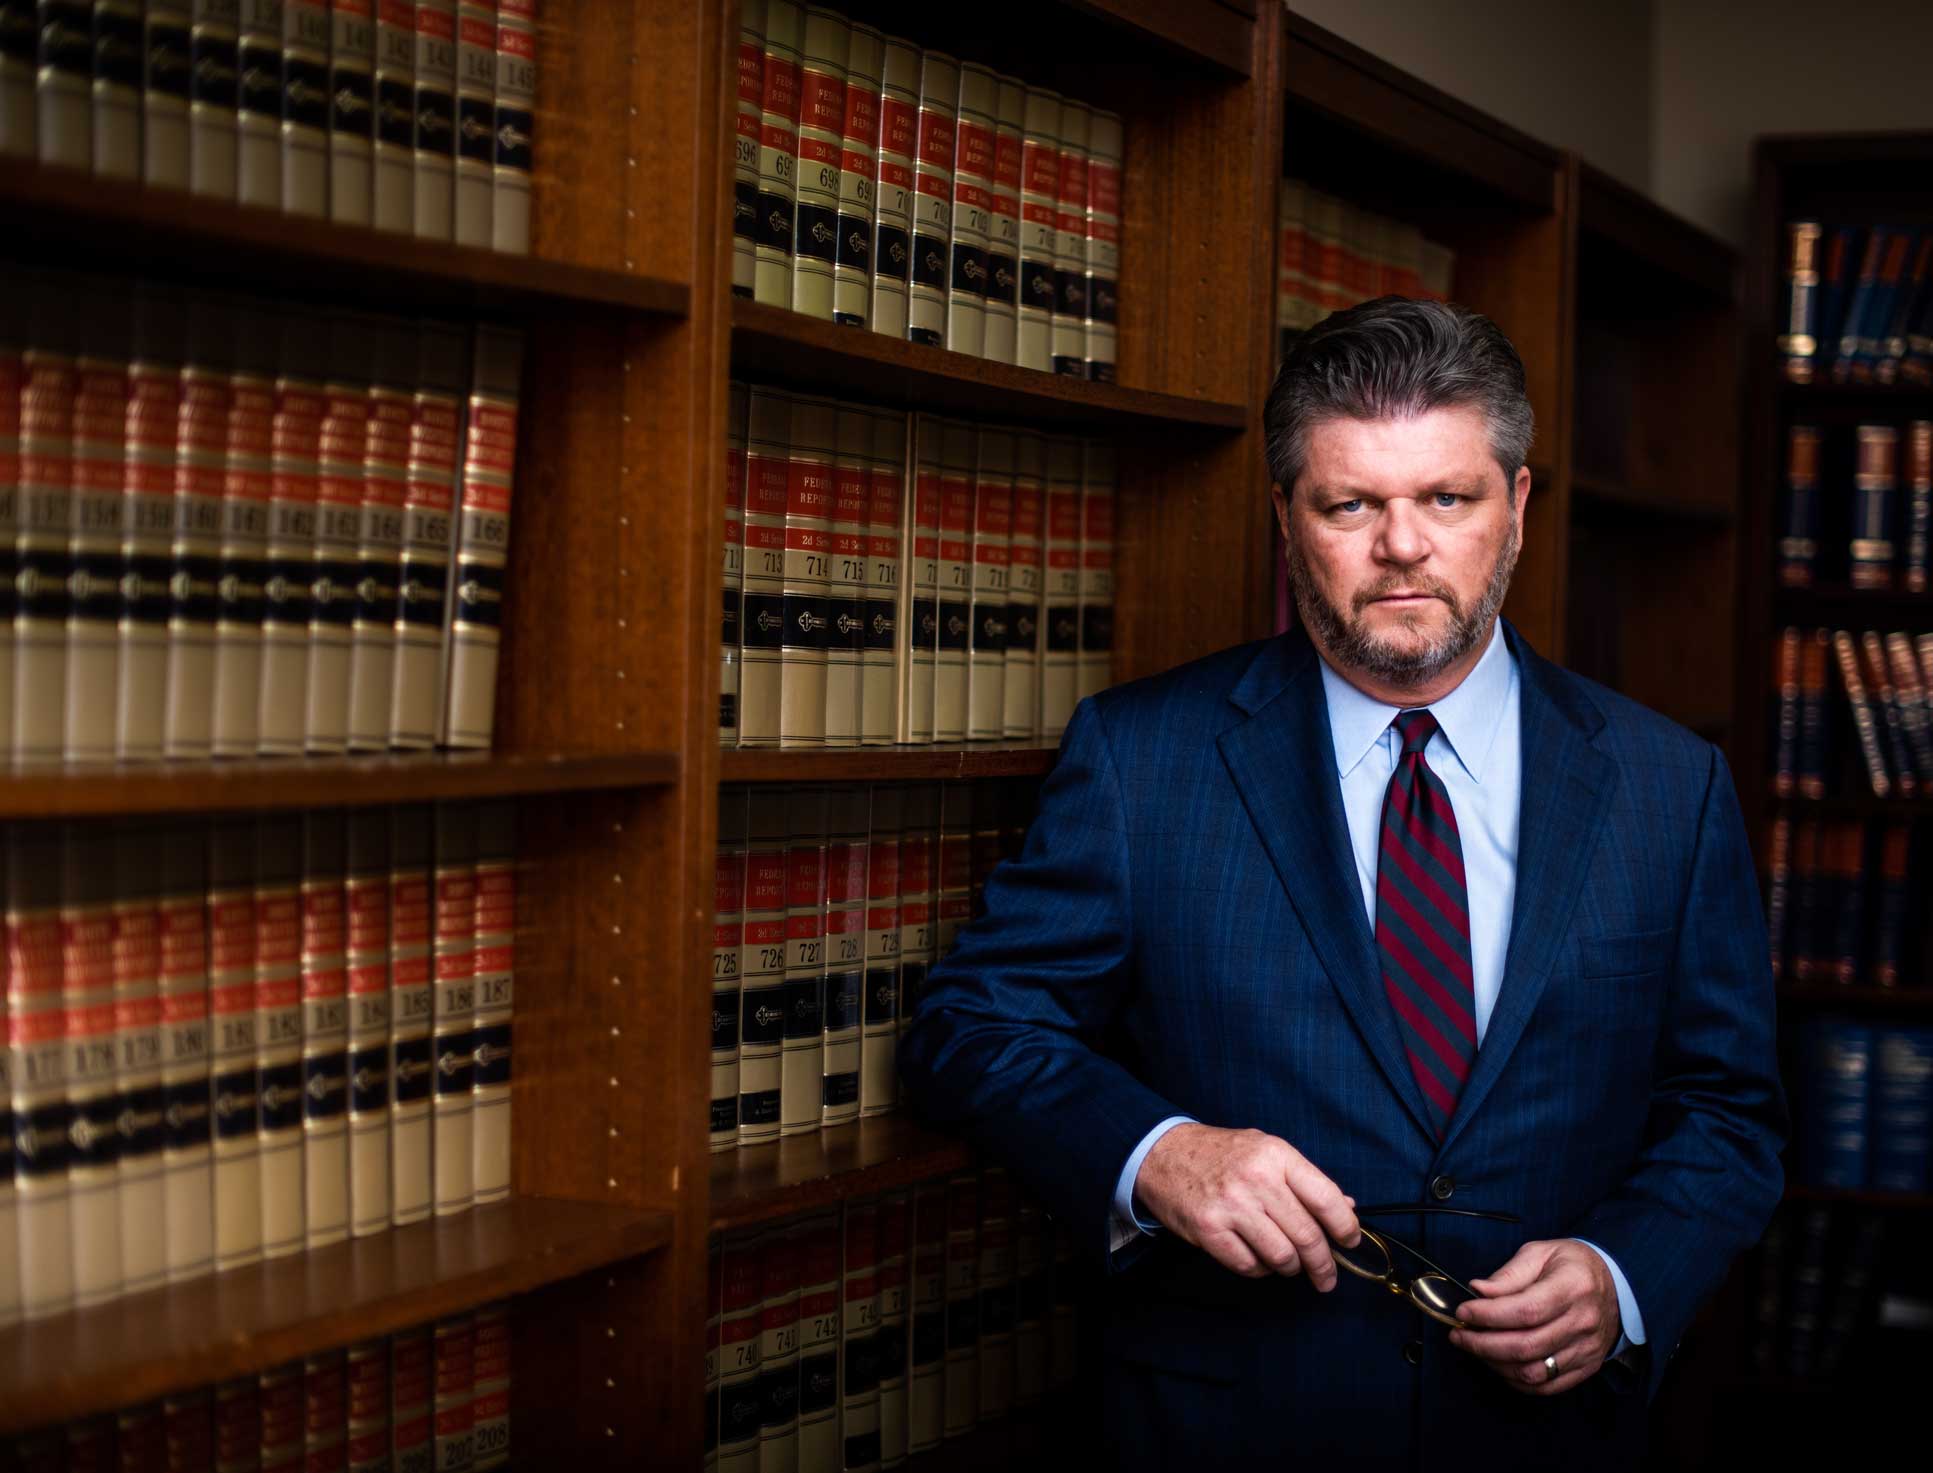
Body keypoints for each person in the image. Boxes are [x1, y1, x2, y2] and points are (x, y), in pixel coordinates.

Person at [896, 296, 1786, 1471]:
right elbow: (968, 1029)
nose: (1402, 545)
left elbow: (1727, 1111)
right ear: (1286, 516)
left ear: (1516, 509)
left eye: (1447, 499)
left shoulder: (1670, 786)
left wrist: (1622, 1276)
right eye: (1351, 503)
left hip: (1548, 1441)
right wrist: (1155, 1153)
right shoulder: (1139, 756)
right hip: (1225, 1429)